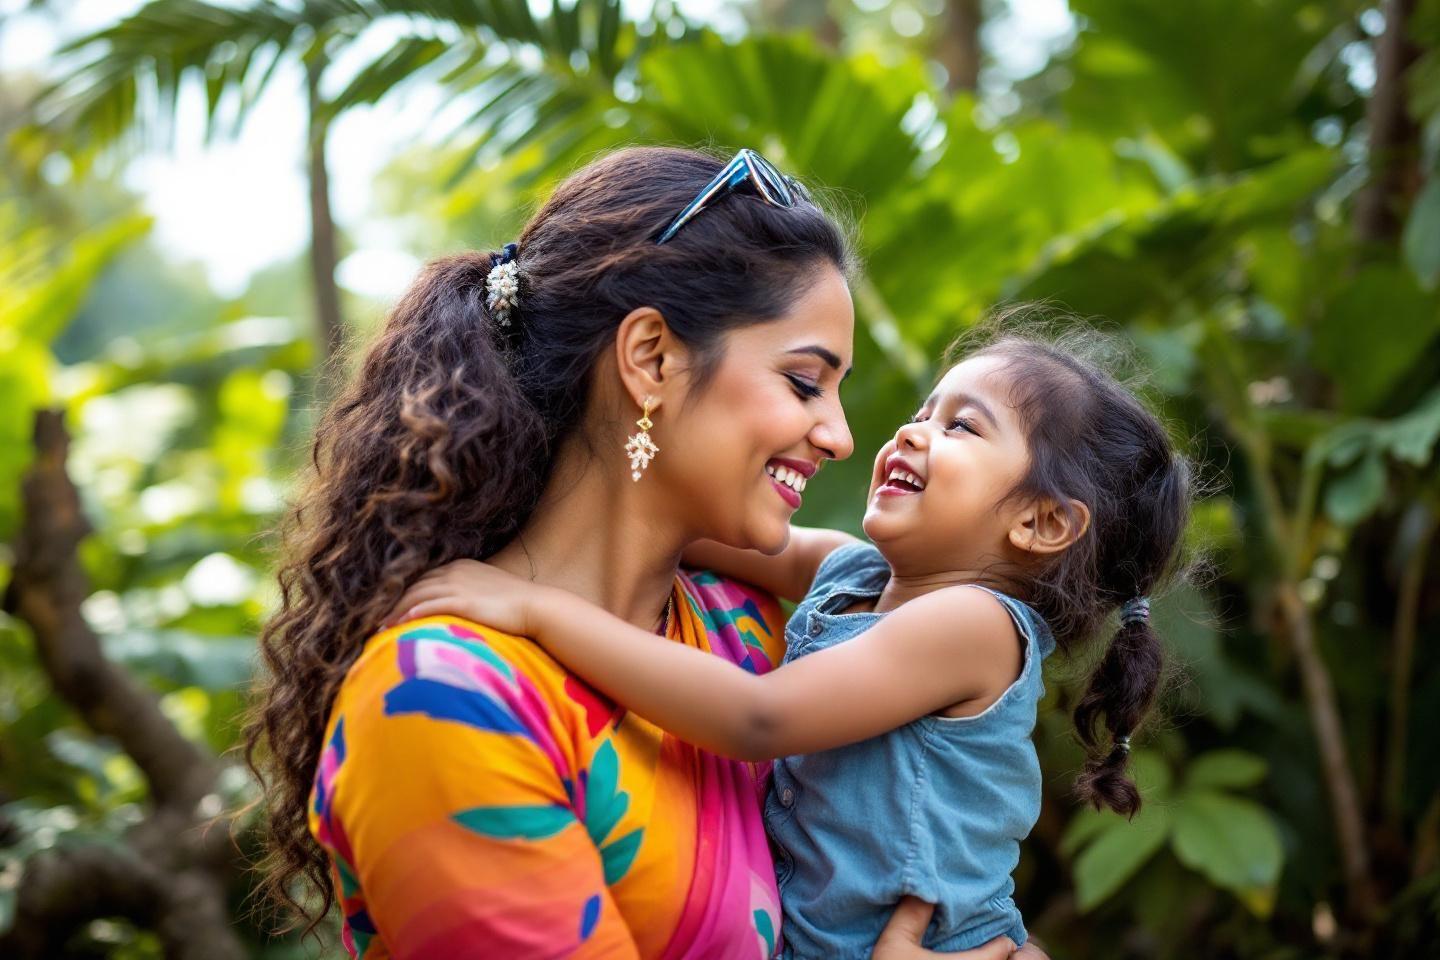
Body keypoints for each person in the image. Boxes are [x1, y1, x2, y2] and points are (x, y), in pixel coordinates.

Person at [246, 145, 1046, 958]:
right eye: (805, 383)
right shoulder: (446, 699)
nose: (840, 437)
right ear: (652, 358)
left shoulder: (748, 628)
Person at [386, 329, 1192, 956]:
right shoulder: (850, 571)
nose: (910, 434)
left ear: (1040, 522)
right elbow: (698, 525)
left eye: (961, 428)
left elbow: (758, 718)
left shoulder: (975, 627)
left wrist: (536, 611)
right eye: (922, 412)